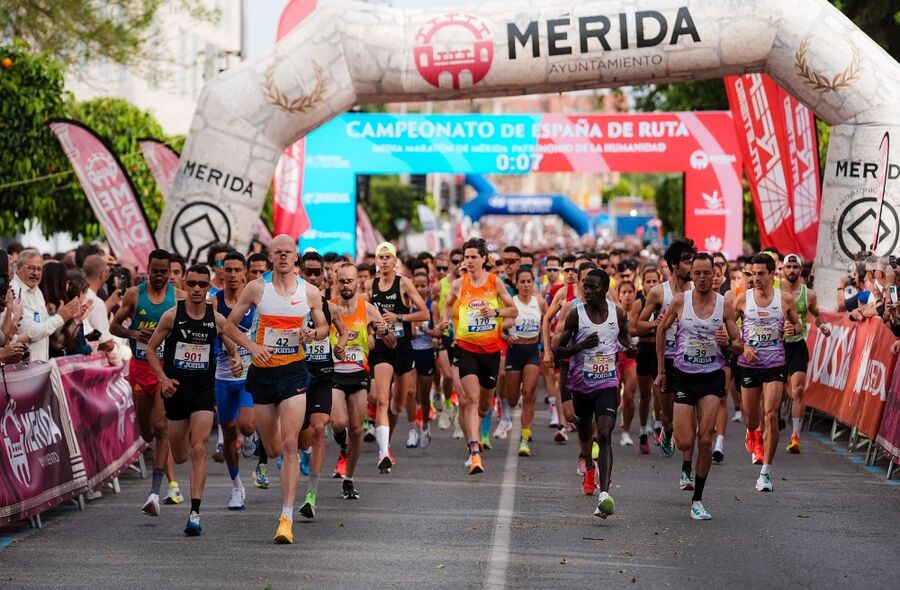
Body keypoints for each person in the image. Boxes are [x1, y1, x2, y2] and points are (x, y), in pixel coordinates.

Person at [225, 234, 328, 544]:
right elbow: (228, 325)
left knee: (290, 443)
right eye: (278, 252)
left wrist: (313, 334)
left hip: (294, 372)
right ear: (270, 257)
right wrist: (252, 347)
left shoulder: (309, 292)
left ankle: (286, 517)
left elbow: (324, 327)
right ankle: (266, 445)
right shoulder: (257, 288)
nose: (283, 256)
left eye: (288, 252)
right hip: (263, 373)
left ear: (296, 257)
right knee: (272, 449)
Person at [145, 264, 249, 536]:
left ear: (208, 288)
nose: (196, 289)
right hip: (176, 390)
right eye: (191, 284)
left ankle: (195, 513)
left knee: (199, 448)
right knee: (180, 455)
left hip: (203, 391)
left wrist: (236, 360)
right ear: (185, 285)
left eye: (202, 285)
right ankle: (187, 495)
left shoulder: (215, 318)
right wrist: (163, 379)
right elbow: (151, 349)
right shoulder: (171, 316)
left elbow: (231, 345)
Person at [655, 254, 743, 520]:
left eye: (707, 273)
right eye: (697, 273)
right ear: (691, 275)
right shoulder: (680, 301)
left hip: (711, 377)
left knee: (705, 438)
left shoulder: (724, 304)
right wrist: (662, 371)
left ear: (715, 274)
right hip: (683, 375)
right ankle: (671, 432)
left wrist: (728, 342)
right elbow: (661, 330)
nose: (702, 278)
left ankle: (698, 500)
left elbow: (739, 345)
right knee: (685, 441)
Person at [554, 269, 634, 518]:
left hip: (607, 383)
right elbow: (559, 352)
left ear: (605, 289)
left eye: (593, 287)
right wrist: (581, 345)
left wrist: (631, 348)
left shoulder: (617, 313)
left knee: (605, 433)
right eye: (585, 287)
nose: (587, 291)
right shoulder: (575, 315)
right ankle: (588, 465)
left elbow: (625, 338)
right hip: (580, 386)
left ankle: (604, 494)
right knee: (585, 434)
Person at [111, 249, 185, 512]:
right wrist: (134, 333)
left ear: (169, 272)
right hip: (141, 369)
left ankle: (154, 493)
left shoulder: (179, 297)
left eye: (164, 272)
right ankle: (159, 481)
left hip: (165, 371)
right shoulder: (134, 294)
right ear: (148, 269)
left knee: (161, 427)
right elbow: (113, 326)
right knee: (147, 432)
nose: (159, 276)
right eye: (155, 271)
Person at [439, 237, 516, 475]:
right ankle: (474, 451)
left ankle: (479, 433)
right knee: (470, 399)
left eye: (474, 257)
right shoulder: (458, 284)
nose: (469, 261)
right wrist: (445, 321)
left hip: (490, 351)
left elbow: (513, 310)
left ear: (484, 259)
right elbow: (448, 304)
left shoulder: (495, 282)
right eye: (467, 257)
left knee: (483, 407)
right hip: (466, 348)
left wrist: (495, 312)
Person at [735, 254, 801, 492]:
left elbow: (798, 325)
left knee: (771, 414)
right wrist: (743, 346)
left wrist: (793, 328)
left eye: (761, 274)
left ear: (773, 274)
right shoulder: (742, 300)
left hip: (775, 364)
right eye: (753, 274)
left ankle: (765, 473)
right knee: (751, 419)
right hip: (749, 365)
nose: (756, 278)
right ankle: (751, 431)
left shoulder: (785, 300)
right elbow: (728, 330)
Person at [330, 263, 394, 499]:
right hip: (334, 373)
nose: (346, 285)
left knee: (356, 429)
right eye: (342, 281)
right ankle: (341, 443)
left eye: (350, 281)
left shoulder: (368, 309)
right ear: (336, 283)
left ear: (358, 282)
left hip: (358, 374)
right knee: (338, 422)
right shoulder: (329, 307)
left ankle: (349, 479)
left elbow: (392, 344)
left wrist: (384, 331)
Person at [365, 242, 428, 473]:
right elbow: (364, 314)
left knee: (397, 404)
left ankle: (386, 440)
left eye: (387, 257)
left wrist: (399, 317)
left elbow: (424, 313)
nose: (383, 261)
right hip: (381, 348)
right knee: (381, 399)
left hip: (402, 348)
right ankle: (384, 452)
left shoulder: (404, 283)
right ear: (376, 261)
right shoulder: (369, 285)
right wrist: (370, 333)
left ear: (394, 261)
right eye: (380, 257)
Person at [296, 251, 348, 519]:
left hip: (322, 375)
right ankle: (300, 451)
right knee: (301, 435)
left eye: (318, 272)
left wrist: (340, 346)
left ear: (324, 277)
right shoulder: (290, 304)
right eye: (309, 272)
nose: (314, 277)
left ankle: (311, 496)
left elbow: (344, 333)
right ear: (300, 273)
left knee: (319, 428)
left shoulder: (330, 307)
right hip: (295, 375)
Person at [638, 238, 696, 474]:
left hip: (690, 360)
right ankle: (668, 429)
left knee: (689, 409)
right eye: (687, 262)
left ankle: (687, 465)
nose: (692, 266)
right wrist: (655, 324)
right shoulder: (658, 292)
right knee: (667, 412)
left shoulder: (697, 291)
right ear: (674, 265)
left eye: (693, 261)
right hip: (664, 357)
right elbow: (637, 325)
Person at [212, 251, 258, 511]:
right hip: (223, 376)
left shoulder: (254, 301)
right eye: (227, 269)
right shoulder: (214, 303)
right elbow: (219, 330)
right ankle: (237, 487)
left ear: (245, 273)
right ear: (221, 272)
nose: (231, 274)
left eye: (237, 270)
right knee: (229, 435)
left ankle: (252, 436)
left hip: (248, 374)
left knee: (247, 425)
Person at [780, 254, 830, 454]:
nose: (792, 270)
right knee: (778, 392)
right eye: (788, 267)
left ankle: (795, 437)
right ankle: (772, 420)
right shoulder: (776, 291)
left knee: (798, 390)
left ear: (800, 270)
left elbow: (816, 314)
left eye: (795, 267)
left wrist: (823, 326)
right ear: (783, 269)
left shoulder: (808, 294)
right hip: (777, 347)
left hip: (798, 345)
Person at [502, 267, 547, 456]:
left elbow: (545, 325)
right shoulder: (511, 303)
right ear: (517, 284)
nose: (526, 285)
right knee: (513, 400)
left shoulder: (540, 302)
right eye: (523, 282)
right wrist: (507, 336)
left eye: (529, 282)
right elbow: (500, 328)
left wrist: (546, 349)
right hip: (514, 352)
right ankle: (518, 401)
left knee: (529, 393)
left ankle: (525, 438)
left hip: (532, 352)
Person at [12, 249, 86, 362]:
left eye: (39, 269)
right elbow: (30, 332)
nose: (36, 273)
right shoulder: (15, 292)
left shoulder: (36, 291)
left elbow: (46, 329)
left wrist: (68, 318)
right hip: (22, 366)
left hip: (39, 364)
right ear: (18, 267)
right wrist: (60, 317)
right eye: (31, 268)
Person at [629, 266, 662, 454]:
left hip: (659, 350)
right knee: (645, 396)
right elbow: (631, 329)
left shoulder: (664, 301)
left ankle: (658, 426)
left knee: (659, 392)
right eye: (648, 281)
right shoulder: (639, 303)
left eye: (654, 281)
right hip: (644, 349)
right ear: (643, 284)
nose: (651, 284)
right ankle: (642, 431)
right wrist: (651, 326)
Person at [410, 269, 440, 449]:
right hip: (411, 352)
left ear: (428, 287)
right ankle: (414, 427)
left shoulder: (432, 306)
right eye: (416, 286)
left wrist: (425, 330)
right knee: (412, 391)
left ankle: (426, 426)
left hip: (426, 352)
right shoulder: (407, 305)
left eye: (423, 286)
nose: (420, 289)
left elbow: (438, 333)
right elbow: (409, 334)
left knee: (424, 395)